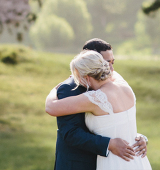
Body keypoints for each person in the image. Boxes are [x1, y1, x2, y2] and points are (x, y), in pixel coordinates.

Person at [45, 39, 150, 170]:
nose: (110, 68)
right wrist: (109, 144)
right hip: (80, 164)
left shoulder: (101, 93)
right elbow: (71, 133)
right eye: (107, 63)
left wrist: (139, 138)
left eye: (112, 63)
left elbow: (50, 107)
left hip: (115, 161)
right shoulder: (69, 88)